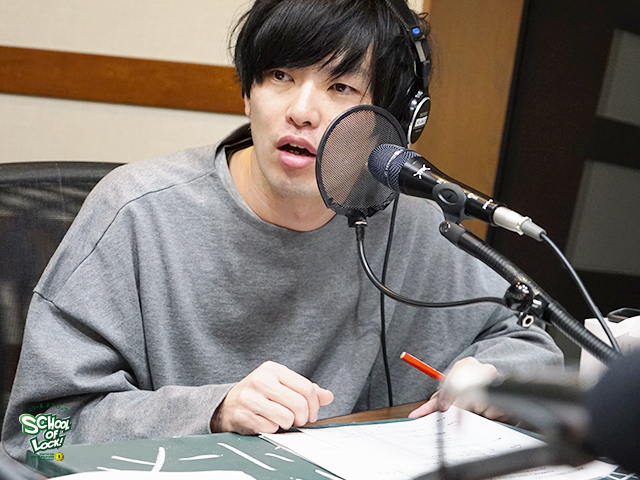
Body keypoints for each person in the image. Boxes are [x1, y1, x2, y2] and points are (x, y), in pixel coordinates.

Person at [2, 0, 562, 461]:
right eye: (280, 77)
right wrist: (213, 411)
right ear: (248, 92)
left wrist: (494, 377)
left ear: (390, 122)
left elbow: (529, 343)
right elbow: (36, 435)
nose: (301, 110)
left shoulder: (414, 224)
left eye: (341, 87)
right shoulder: (134, 213)